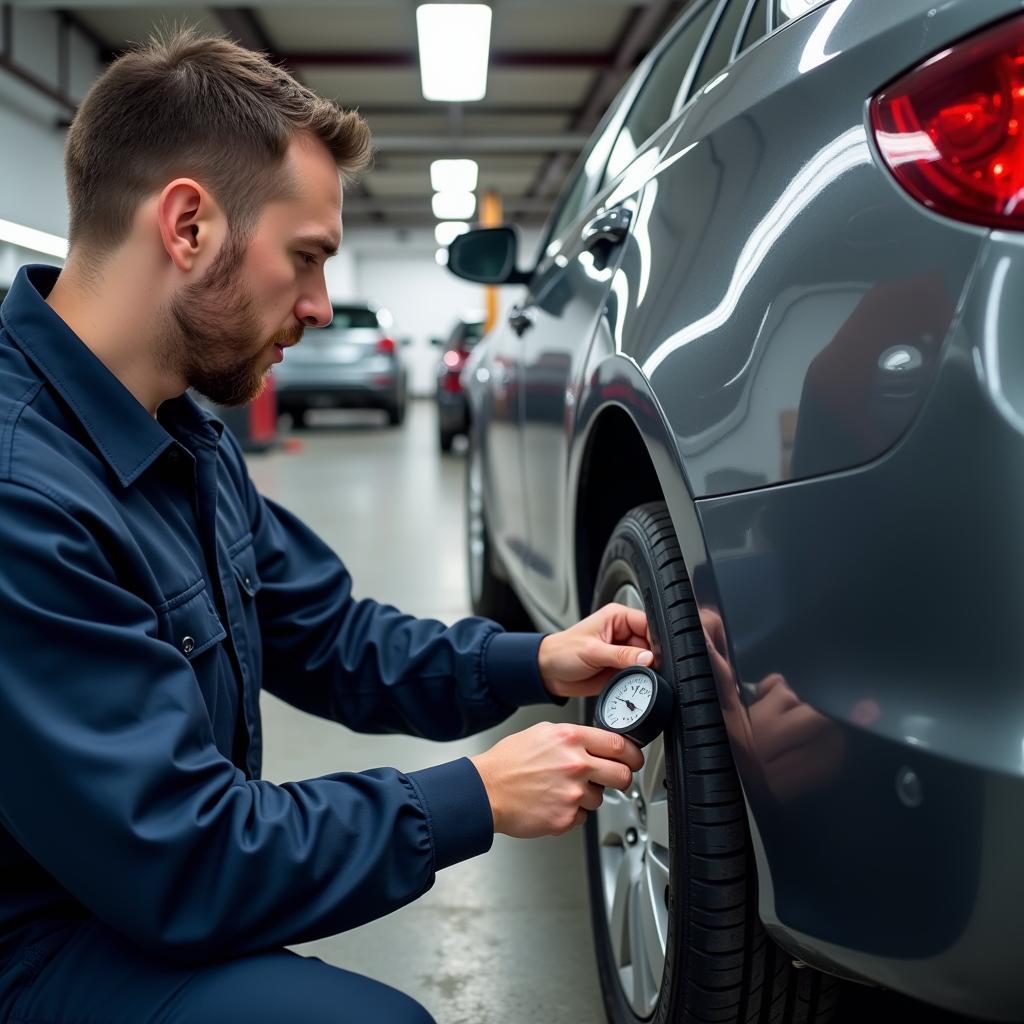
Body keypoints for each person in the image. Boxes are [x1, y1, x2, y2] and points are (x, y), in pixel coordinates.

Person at [0, 28, 655, 1024]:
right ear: (188, 227)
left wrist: (540, 662)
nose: (317, 306)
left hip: (123, 898)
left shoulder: (185, 438)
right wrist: (472, 795)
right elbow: (184, 855)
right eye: (305, 258)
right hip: (39, 944)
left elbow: (338, 640)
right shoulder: (23, 494)